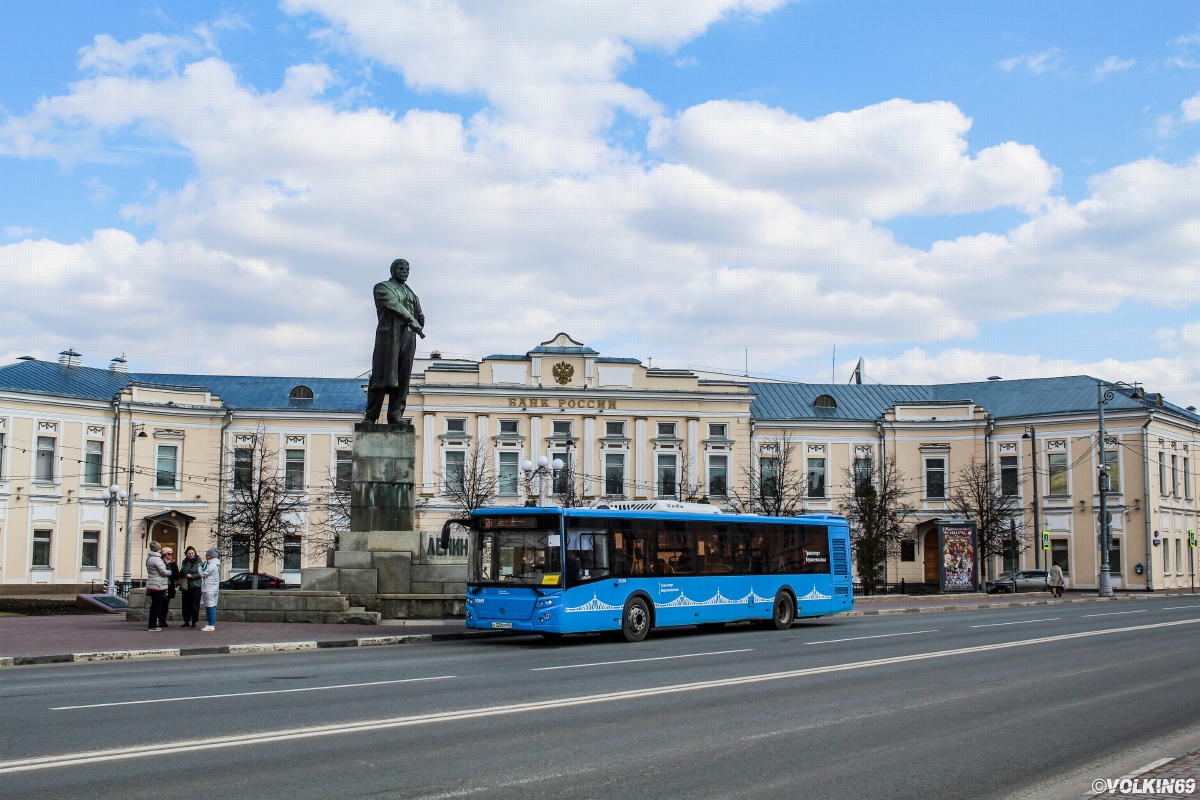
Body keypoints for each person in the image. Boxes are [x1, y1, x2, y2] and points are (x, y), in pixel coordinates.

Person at [364, 258, 425, 424]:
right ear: (392, 270)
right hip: (390, 337)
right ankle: (371, 416)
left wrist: (419, 320)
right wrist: (413, 321)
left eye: (407, 269)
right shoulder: (383, 287)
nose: (405, 271)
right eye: (401, 268)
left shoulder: (411, 293)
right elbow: (393, 306)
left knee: (403, 377)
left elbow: (419, 313)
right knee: (382, 376)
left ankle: (396, 414)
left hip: (408, 337)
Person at [144, 541, 171, 632]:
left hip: (152, 583)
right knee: (156, 605)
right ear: (158, 550)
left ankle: (152, 623)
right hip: (158, 585)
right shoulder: (157, 559)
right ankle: (153, 625)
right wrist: (170, 572)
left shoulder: (149, 558)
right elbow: (163, 572)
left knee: (154, 605)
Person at [179, 546, 203, 628]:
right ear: (186, 554)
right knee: (185, 604)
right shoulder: (184, 562)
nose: (191, 555)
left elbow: (201, 574)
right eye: (189, 553)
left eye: (192, 553)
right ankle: (186, 621)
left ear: (195, 553)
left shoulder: (199, 562)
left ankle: (194, 621)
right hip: (185, 585)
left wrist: (192, 576)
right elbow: (182, 571)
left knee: (194, 604)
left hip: (195, 585)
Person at [198, 548, 221, 632]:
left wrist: (199, 568)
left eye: (207, 555)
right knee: (212, 606)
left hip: (210, 588)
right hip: (212, 588)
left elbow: (203, 575)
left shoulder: (211, 565)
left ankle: (211, 625)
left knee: (210, 606)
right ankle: (211, 623)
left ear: (210, 556)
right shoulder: (215, 564)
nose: (206, 556)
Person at [161, 547, 180, 627]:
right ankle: (160, 620)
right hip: (161, 585)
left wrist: (176, 581)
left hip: (169, 586)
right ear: (164, 554)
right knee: (159, 604)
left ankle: (163, 620)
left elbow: (176, 574)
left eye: (172, 554)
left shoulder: (173, 564)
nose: (171, 555)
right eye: (169, 554)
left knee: (166, 604)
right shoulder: (160, 563)